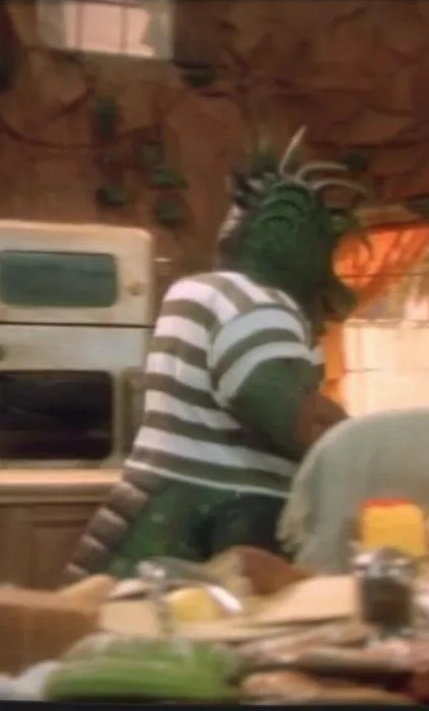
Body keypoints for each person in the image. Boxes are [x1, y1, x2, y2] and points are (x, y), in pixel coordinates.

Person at [64, 128, 362, 580]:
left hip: (154, 491)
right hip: (228, 515)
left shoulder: (195, 291)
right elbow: (266, 395)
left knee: (114, 610)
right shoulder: (262, 303)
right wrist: (358, 443)